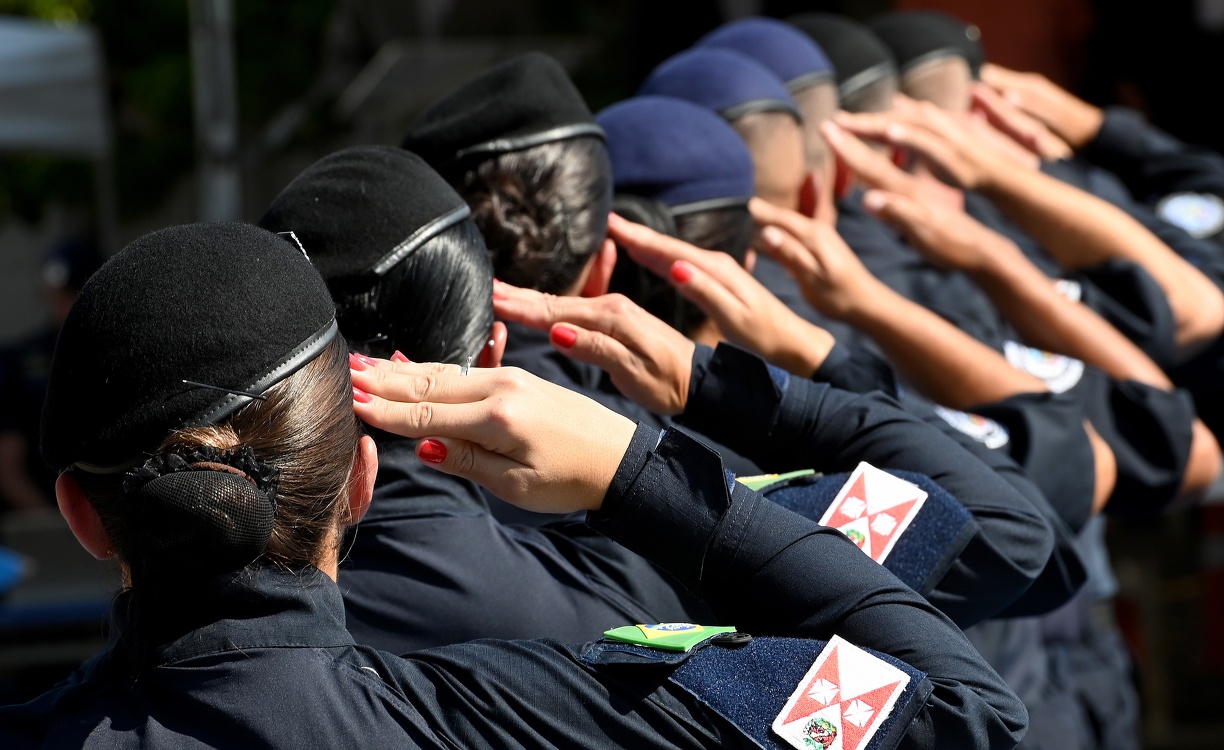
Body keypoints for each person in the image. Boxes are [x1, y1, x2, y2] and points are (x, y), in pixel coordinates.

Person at [0, 221, 1028, 749]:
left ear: (83, 515)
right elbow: (972, 713)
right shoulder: (534, 712)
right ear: (359, 476)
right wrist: (636, 469)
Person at [0, 237, 102, 512]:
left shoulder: (119, 352)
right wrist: (58, 525)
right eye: (57, 297)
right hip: (46, 525)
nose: (63, 307)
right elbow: (8, 465)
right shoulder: (23, 362)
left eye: (73, 295)